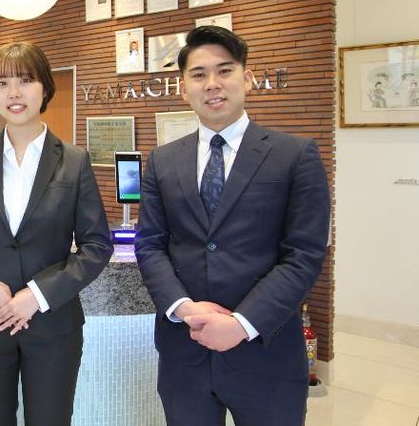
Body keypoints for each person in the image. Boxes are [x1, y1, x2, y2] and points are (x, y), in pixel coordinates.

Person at [134, 26, 330, 426]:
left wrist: (241, 324)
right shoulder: (162, 160)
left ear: (247, 78)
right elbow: (150, 244)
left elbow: (304, 255)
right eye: (198, 74)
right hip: (184, 352)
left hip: (266, 354)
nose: (212, 83)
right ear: (183, 88)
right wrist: (183, 308)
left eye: (224, 70)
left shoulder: (295, 156)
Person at [0, 41, 113, 426]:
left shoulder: (74, 161)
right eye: (2, 83)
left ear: (45, 87)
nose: (13, 93)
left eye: (25, 81)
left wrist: (37, 295)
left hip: (53, 325)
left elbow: (97, 245)